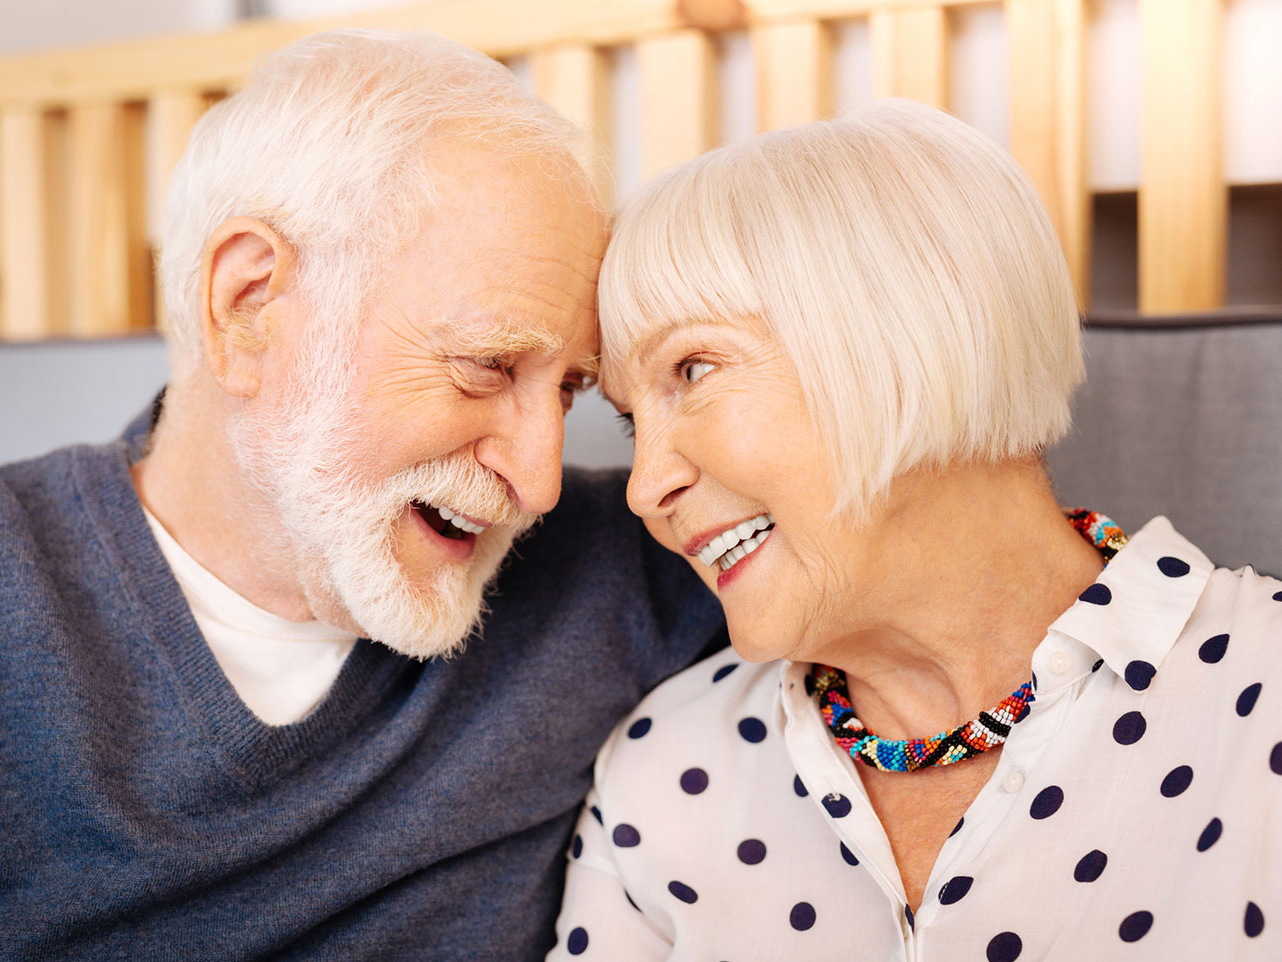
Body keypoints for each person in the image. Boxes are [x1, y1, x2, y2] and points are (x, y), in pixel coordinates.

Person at [0, 31, 723, 960]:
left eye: (567, 391)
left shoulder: (626, 571)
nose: (539, 481)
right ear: (249, 306)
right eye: (486, 367)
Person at [548, 100, 1282, 961]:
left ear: (920, 328)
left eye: (694, 368)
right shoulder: (660, 772)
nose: (646, 486)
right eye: (634, 423)